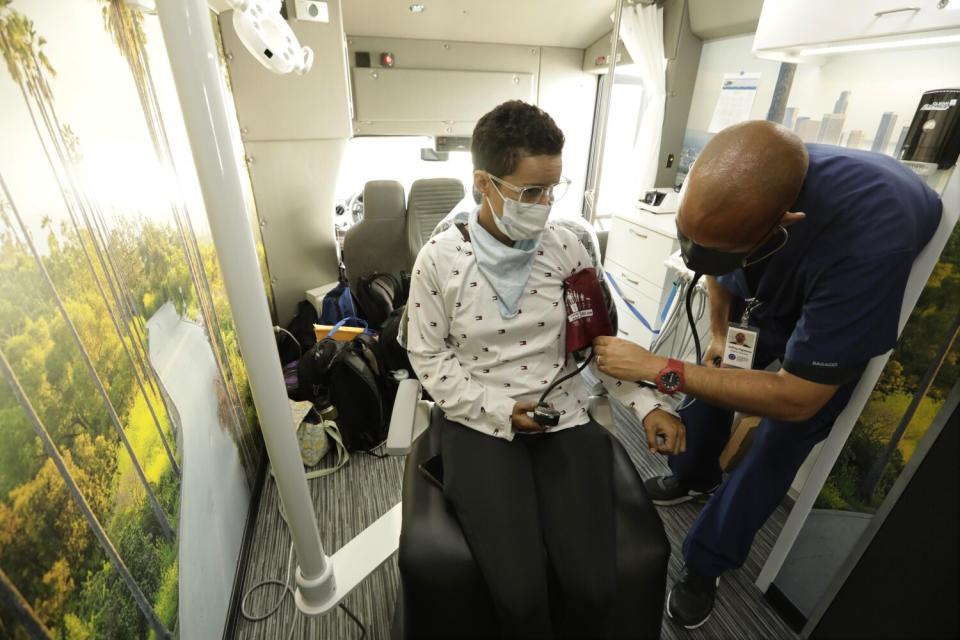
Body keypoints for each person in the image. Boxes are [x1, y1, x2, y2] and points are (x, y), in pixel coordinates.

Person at [593, 120, 942, 630]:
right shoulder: (730, 188)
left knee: (781, 438)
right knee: (715, 375)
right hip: (768, 287)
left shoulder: (868, 240)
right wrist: (717, 339)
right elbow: (717, 270)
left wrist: (660, 370)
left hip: (832, 308)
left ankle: (708, 562)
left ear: (785, 222)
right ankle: (694, 475)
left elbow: (799, 397)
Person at [405, 100, 683, 638]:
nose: (546, 204)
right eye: (531, 192)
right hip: (480, 421)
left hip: (563, 416)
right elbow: (430, 359)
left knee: (595, 588)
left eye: (553, 189)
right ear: (483, 183)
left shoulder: (568, 249)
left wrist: (649, 405)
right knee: (520, 596)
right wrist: (501, 411)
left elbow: (597, 346)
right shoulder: (439, 260)